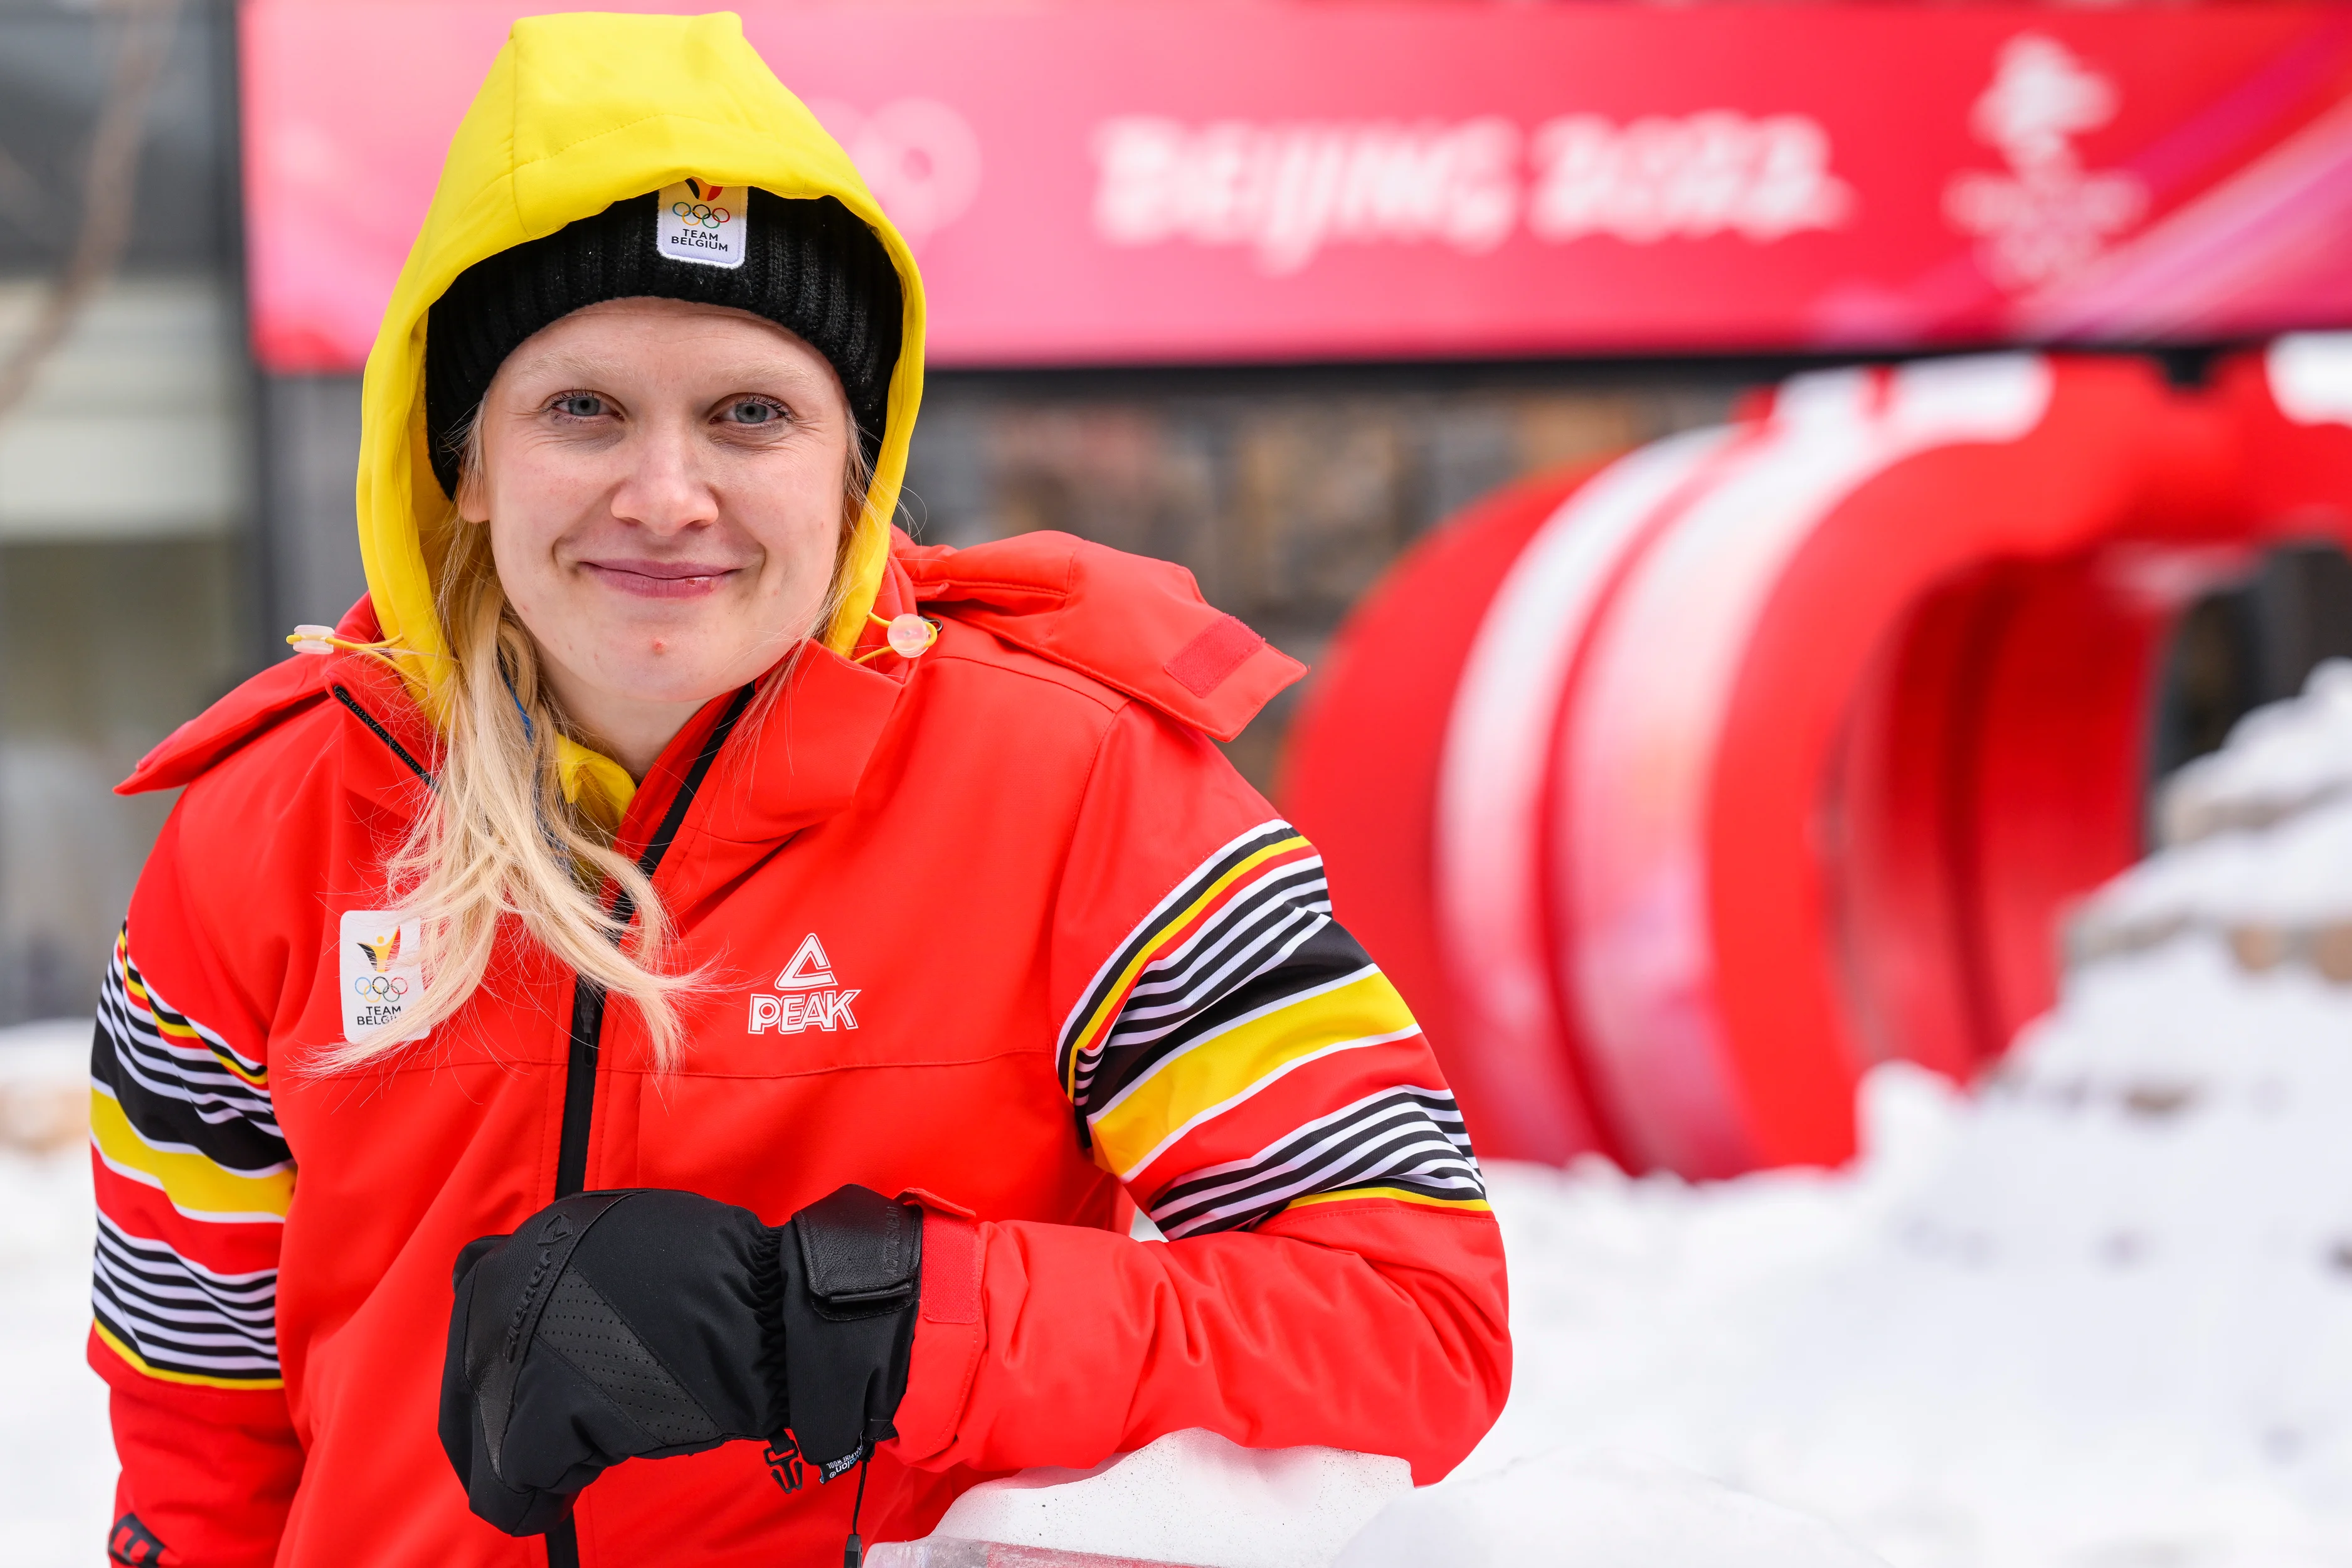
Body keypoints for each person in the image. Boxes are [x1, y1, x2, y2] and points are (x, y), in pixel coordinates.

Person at [87, 14, 1510, 1568]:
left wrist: (850, 1318)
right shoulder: (267, 826)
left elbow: (1413, 1316)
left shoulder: (1084, 787)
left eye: (750, 414)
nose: (666, 494)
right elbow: (194, 1421)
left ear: (856, 462)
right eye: (582, 408)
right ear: (465, 458)